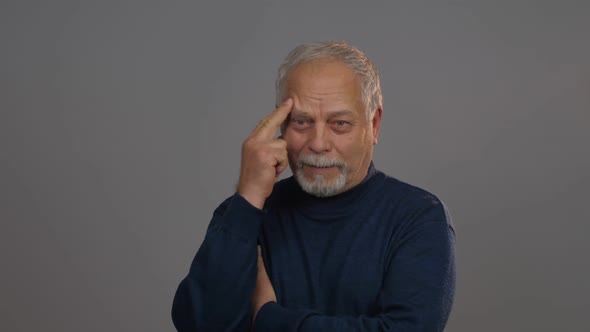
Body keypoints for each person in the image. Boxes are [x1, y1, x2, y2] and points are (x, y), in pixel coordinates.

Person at [171, 41, 456, 331]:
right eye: (301, 122)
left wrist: (268, 317)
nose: (318, 144)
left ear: (374, 124)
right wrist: (248, 197)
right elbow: (200, 325)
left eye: (340, 123)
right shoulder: (243, 214)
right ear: (279, 125)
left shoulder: (419, 217)